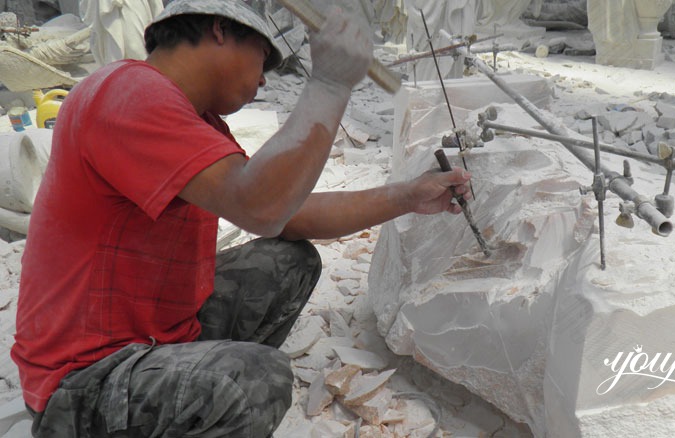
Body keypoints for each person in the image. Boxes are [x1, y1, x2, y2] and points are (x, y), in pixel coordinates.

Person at [10, 0, 472, 436]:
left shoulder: (193, 119)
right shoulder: (128, 93)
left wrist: (408, 196)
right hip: (85, 380)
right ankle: (201, 398)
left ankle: (195, 397)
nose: (265, 81)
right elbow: (261, 205)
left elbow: (284, 215)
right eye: (263, 59)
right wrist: (330, 84)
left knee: (289, 261)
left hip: (155, 339)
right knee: (255, 380)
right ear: (219, 29)